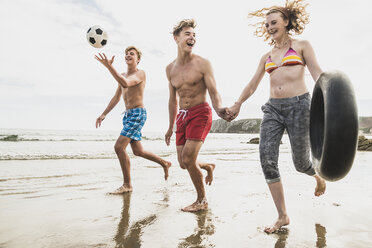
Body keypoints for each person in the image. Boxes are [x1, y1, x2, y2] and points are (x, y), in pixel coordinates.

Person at [226, 0, 326, 233]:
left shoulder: (302, 46)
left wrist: (332, 97)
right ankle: (282, 216)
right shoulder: (266, 56)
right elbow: (252, 84)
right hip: (272, 109)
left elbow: (317, 74)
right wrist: (238, 103)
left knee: (301, 164)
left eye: (274, 22)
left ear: (287, 22)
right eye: (267, 24)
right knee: (267, 161)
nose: (270, 27)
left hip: (300, 106)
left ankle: (317, 176)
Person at [165, 19, 228, 212]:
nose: (192, 37)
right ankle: (208, 166)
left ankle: (202, 201)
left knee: (189, 157)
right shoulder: (169, 69)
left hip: (200, 112)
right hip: (182, 116)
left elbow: (213, 90)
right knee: (184, 163)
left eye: (194, 35)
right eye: (187, 34)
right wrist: (170, 127)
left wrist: (219, 110)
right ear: (176, 38)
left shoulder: (202, 64)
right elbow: (172, 100)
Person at [95, 46, 171, 194]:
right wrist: (104, 113)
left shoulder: (140, 73)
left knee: (119, 147)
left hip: (138, 114)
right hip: (128, 115)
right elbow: (117, 97)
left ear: (138, 59)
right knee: (138, 151)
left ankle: (127, 185)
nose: (128, 55)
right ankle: (164, 163)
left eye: (132, 54)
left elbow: (126, 83)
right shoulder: (122, 75)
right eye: (126, 54)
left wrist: (109, 67)